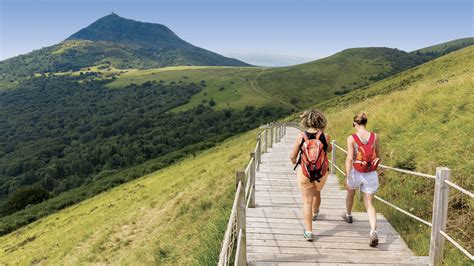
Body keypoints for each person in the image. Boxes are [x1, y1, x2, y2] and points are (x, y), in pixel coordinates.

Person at [290, 109, 331, 241]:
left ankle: (308, 231)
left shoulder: (301, 136)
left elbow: (293, 156)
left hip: (305, 172)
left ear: (306, 120)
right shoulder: (325, 136)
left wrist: (294, 161)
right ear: (320, 120)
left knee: (306, 202)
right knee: (317, 193)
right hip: (321, 172)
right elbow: (329, 150)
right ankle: (316, 212)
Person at [342, 112, 380, 247]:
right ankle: (373, 231)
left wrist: (347, 175)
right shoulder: (375, 137)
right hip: (370, 173)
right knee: (369, 203)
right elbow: (378, 156)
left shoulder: (351, 138)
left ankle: (348, 214)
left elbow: (349, 158)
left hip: (355, 172)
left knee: (350, 193)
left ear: (356, 124)